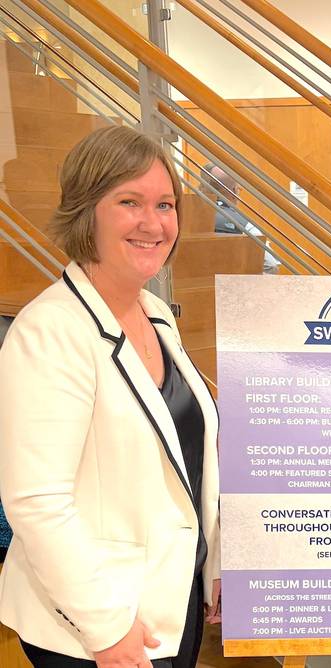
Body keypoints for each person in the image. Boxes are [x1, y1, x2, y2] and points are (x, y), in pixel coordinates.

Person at [0, 125, 222, 668]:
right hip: (97, 626)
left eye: (166, 204)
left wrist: (212, 566)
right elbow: (37, 502)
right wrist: (107, 629)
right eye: (130, 202)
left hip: (172, 601)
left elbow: (186, 459)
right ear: (86, 212)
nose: (154, 223)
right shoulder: (50, 331)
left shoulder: (156, 315)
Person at [200, 162, 280, 273]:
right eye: (238, 188)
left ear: (202, 187)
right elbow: (270, 265)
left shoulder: (186, 217)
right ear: (233, 191)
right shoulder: (243, 225)